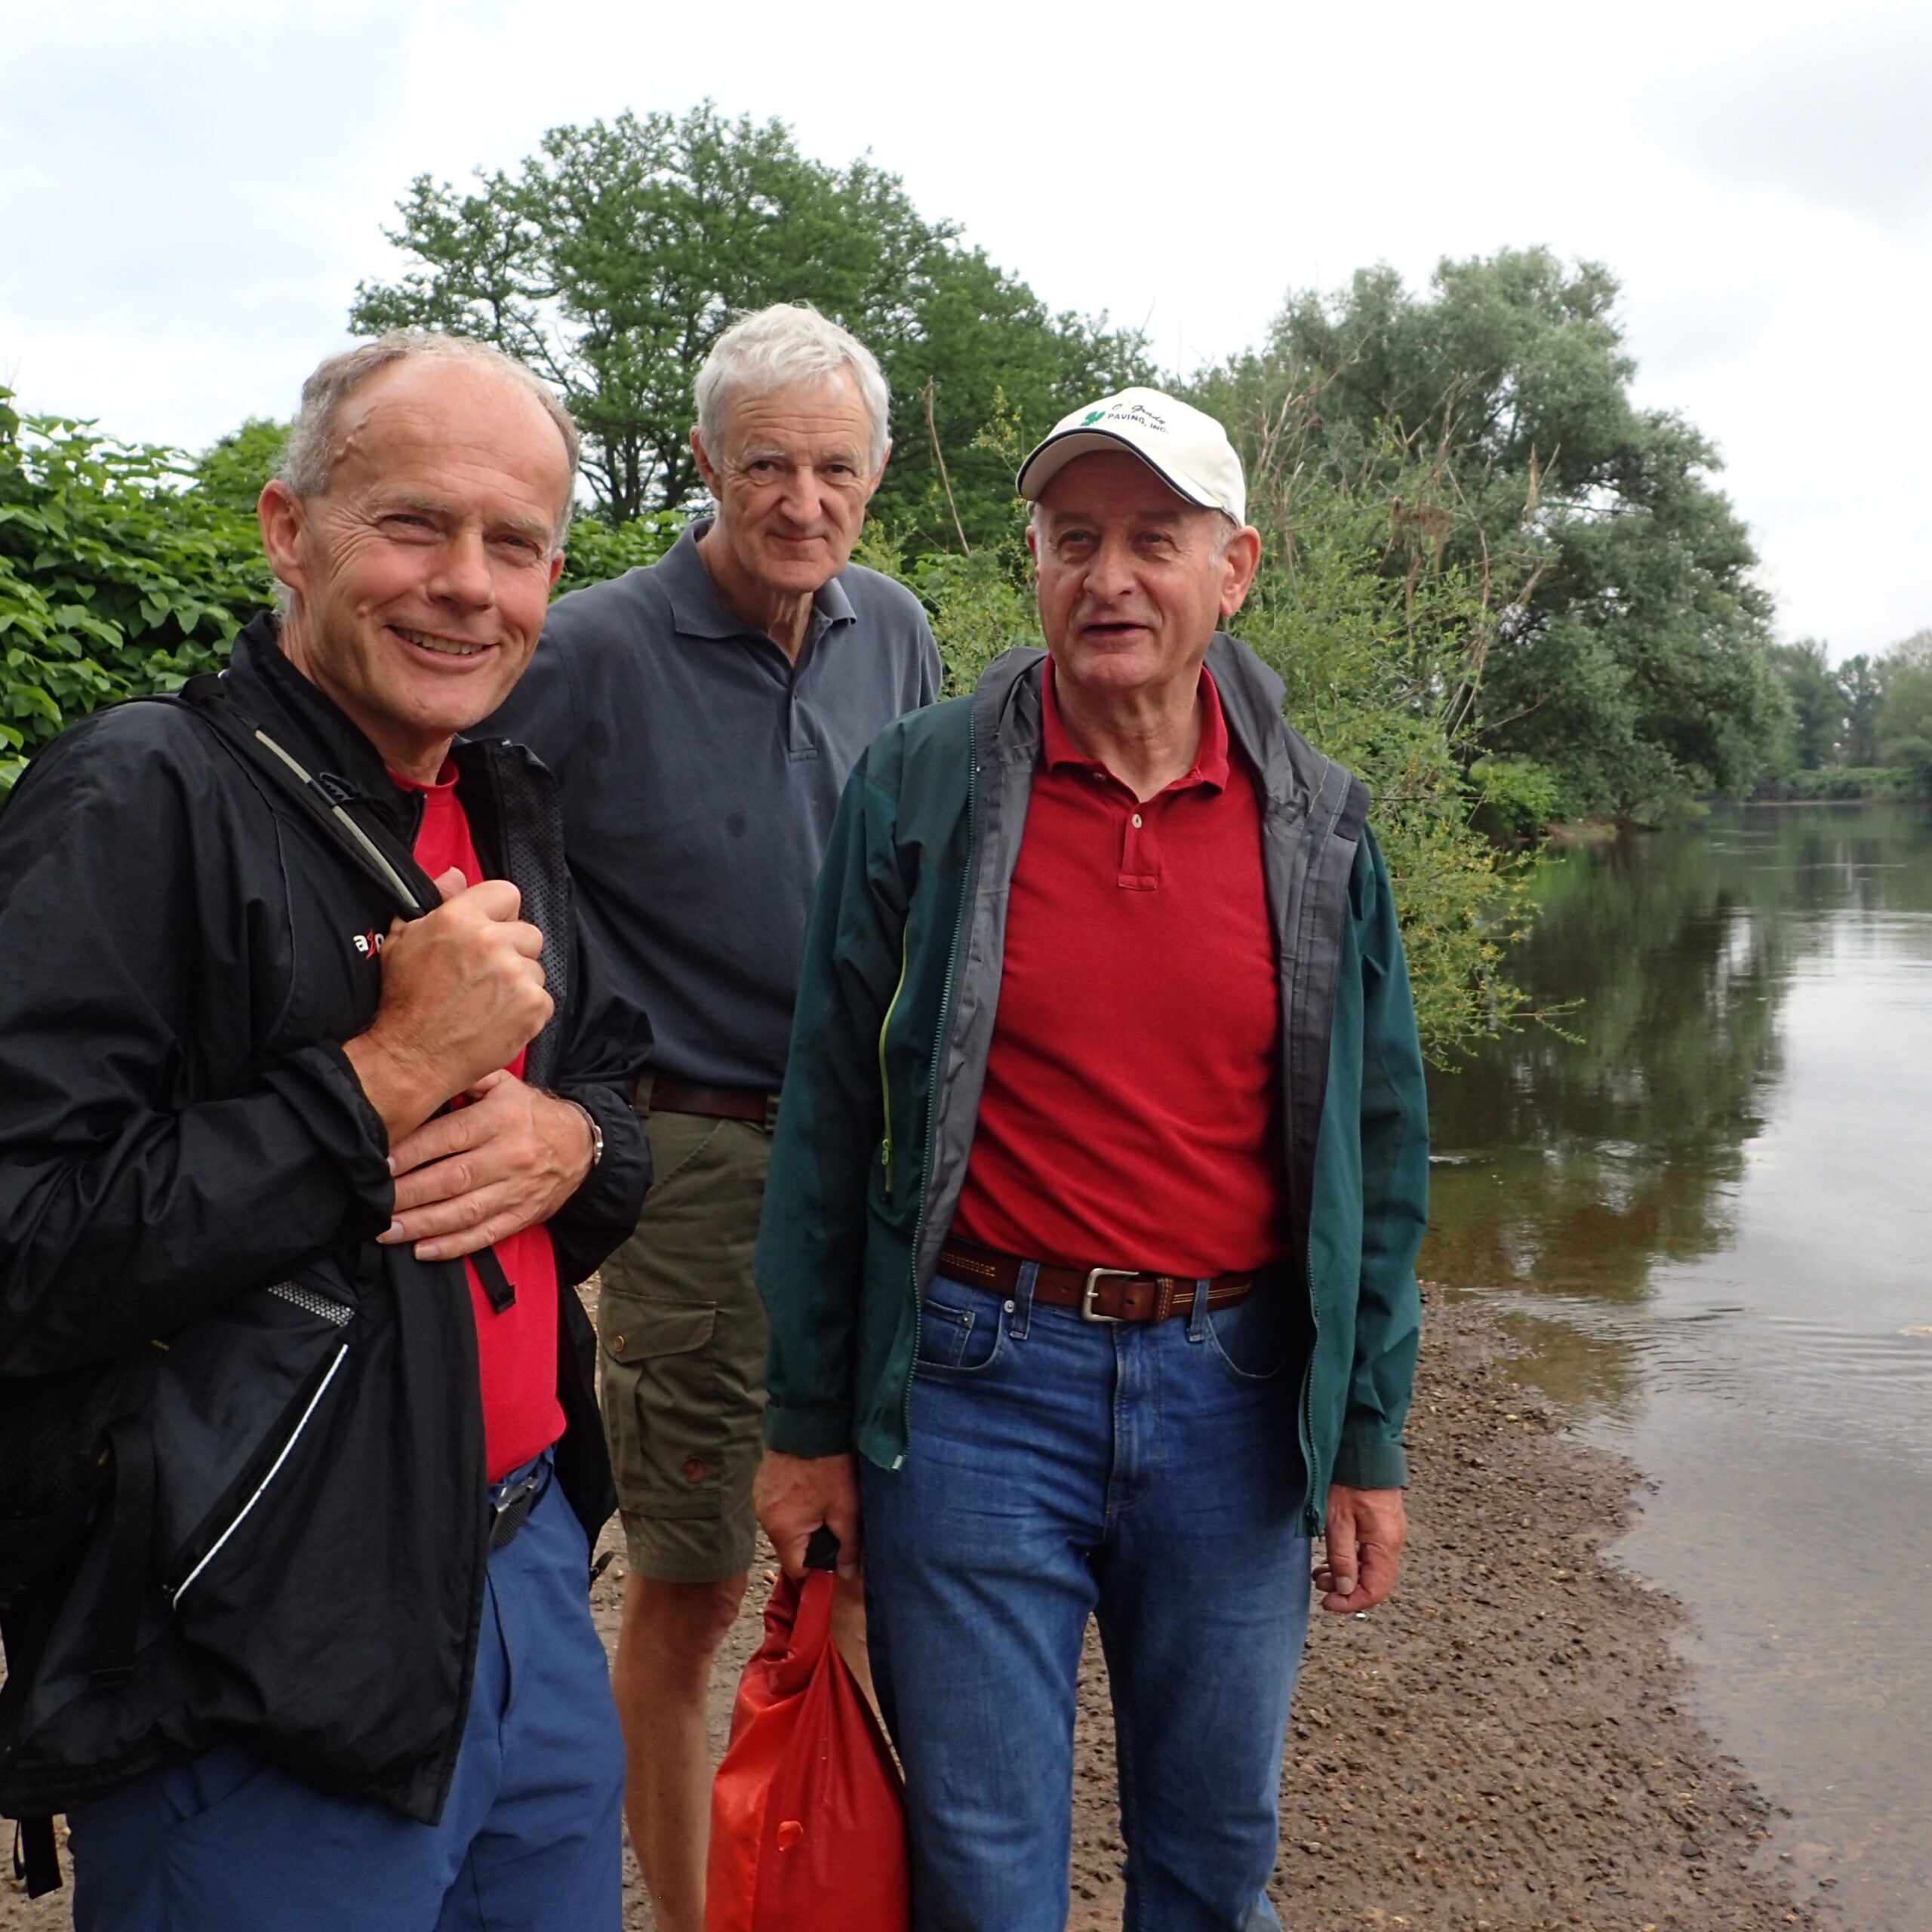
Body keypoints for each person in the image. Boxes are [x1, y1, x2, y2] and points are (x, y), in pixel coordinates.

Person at [752, 386, 1429, 1930]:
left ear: (1233, 567)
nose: (1106, 576)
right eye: (1072, 540)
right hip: (978, 1386)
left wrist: (1366, 1429)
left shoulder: (1315, 820)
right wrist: (805, 1421)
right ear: (1037, 566)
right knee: (981, 1872)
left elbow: (1379, 1147)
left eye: (1150, 539)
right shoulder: (921, 786)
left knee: (1211, 1858)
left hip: (1238, 1394)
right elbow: (823, 1116)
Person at [0, 332, 653, 1931]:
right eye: (414, 524)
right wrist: (373, 1080)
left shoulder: (500, 801)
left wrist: (575, 1146)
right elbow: (21, 1247)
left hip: (522, 1578)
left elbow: (616, 1094)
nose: (466, 585)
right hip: (256, 1630)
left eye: (515, 546)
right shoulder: (137, 797)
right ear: (290, 530)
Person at [483, 301, 940, 1931]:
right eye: (766, 464)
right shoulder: (592, 645)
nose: (801, 500)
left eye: (833, 468)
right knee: (692, 1579)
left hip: (876, 1158)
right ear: (703, 464)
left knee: (877, 1556)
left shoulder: (893, 627)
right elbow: (479, 869)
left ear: (872, 476)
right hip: (691, 1155)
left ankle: (834, 1881)